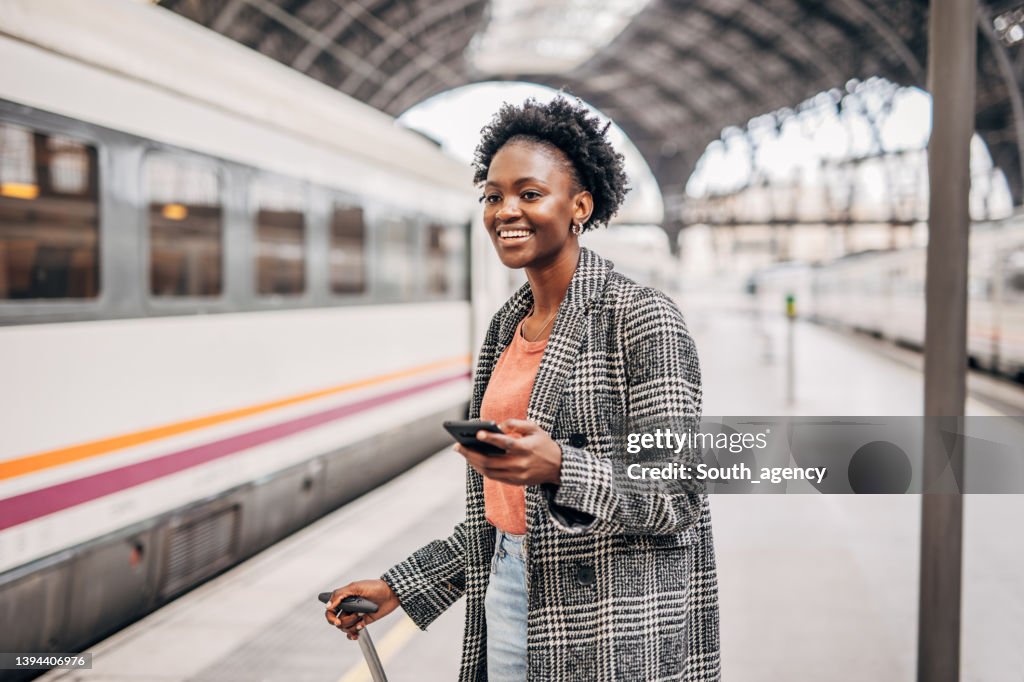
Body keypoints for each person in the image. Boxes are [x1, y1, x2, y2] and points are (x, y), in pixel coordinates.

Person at [325, 96, 721, 681]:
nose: (505, 210)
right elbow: (503, 515)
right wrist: (401, 586)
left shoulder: (641, 318)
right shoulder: (505, 330)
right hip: (508, 591)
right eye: (492, 196)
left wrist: (561, 466)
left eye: (529, 194)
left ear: (579, 206)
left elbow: (678, 494)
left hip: (614, 625)